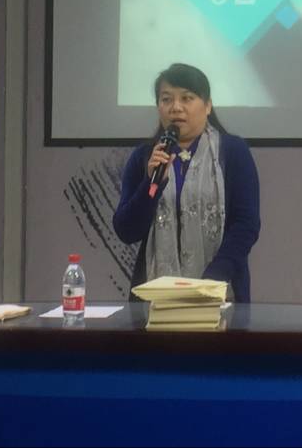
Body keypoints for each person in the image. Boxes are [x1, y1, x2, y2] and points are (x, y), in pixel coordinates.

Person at [112, 62, 261, 302]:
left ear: (208, 105)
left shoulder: (233, 152)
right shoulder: (144, 157)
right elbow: (127, 231)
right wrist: (151, 184)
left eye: (187, 98)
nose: (176, 107)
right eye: (166, 99)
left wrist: (212, 279)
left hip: (220, 291)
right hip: (155, 296)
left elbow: (246, 224)